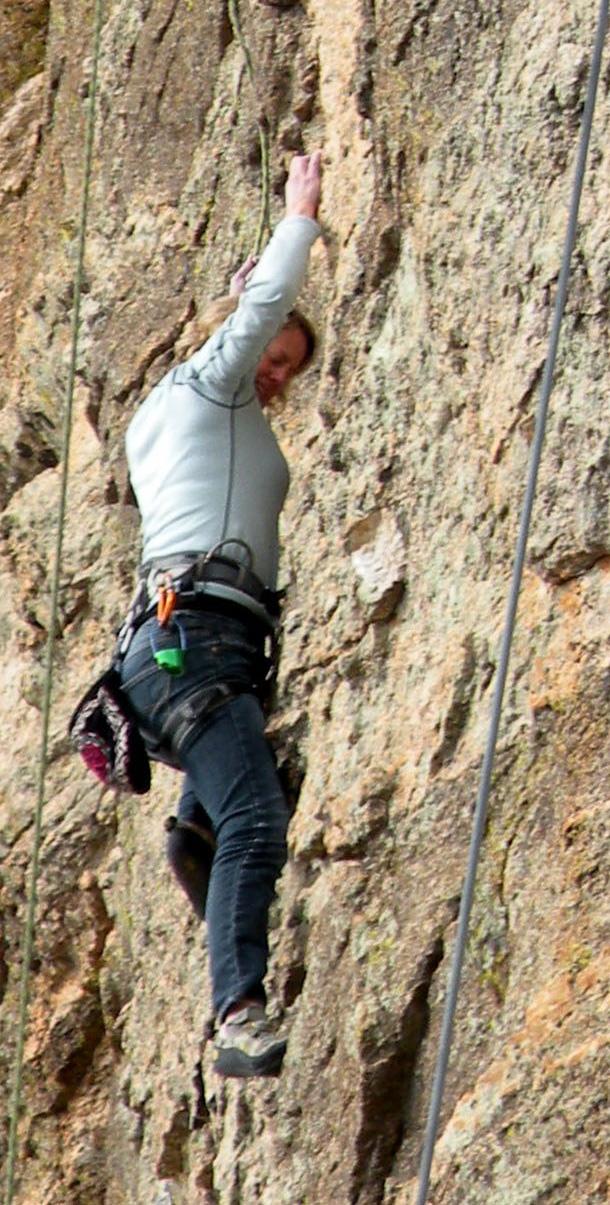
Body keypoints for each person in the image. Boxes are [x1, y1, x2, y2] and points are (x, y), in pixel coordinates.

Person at [119, 153, 325, 1080]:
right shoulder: (210, 387)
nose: (278, 374)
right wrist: (300, 215)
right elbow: (258, 312)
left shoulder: (176, 416)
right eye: (275, 354)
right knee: (259, 816)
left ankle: (191, 835)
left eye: (290, 368)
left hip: (188, 645)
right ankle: (237, 1012)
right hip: (194, 636)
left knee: (225, 804)